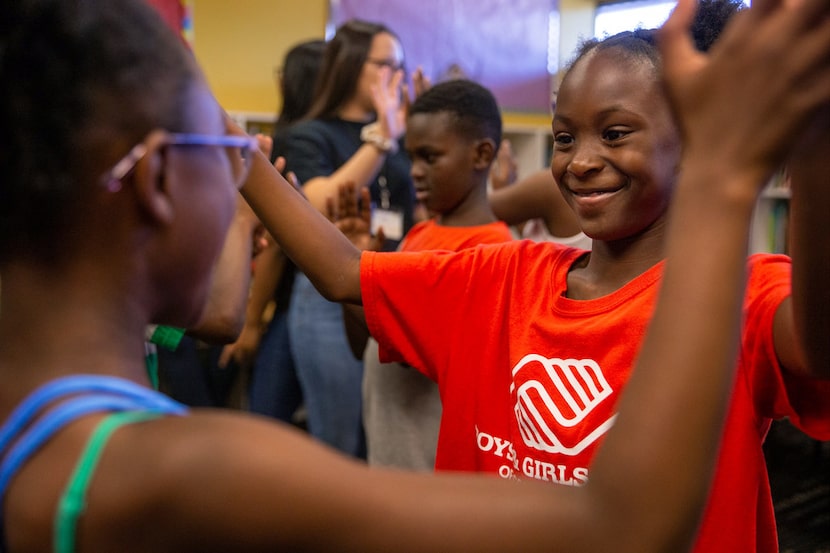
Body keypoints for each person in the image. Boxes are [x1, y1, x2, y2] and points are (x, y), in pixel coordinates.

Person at [1, 0, 828, 551]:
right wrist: (729, 167)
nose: (579, 163)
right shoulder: (497, 277)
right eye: (567, 136)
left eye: (614, 133)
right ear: (152, 186)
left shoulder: (745, 292)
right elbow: (621, 524)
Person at [276, 20, 420, 458]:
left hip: (395, 282)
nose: (396, 75)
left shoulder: (398, 129)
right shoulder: (309, 133)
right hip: (329, 293)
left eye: (401, 65)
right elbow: (318, 206)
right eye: (385, 65)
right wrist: (382, 139)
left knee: (386, 430)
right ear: (352, 65)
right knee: (338, 441)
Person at [356, 79, 516, 469]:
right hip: (388, 457)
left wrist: (356, 276)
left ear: (481, 155)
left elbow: (408, 352)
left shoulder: (495, 253)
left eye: (430, 157)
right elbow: (364, 342)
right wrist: (362, 270)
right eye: (412, 157)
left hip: (429, 473)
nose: (415, 172)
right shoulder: (421, 234)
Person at [220, 39, 326, 424]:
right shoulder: (317, 140)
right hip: (289, 304)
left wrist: (250, 323)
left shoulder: (294, 141)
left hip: (285, 303)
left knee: (262, 416)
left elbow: (277, 247)